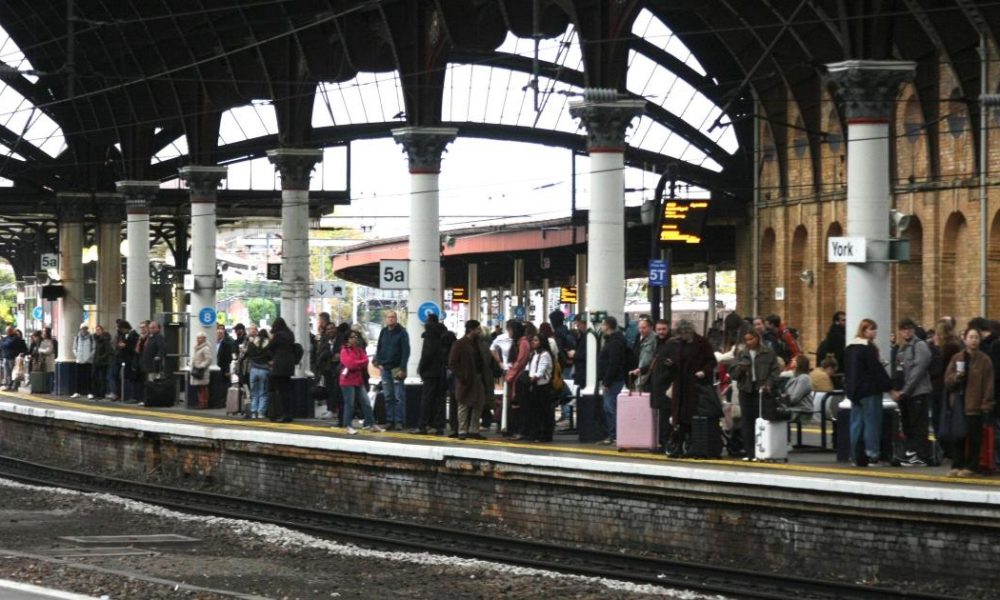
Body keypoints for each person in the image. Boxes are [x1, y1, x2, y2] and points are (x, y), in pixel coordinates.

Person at [942, 327, 995, 477]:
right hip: (958, 403)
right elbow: (947, 381)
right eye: (970, 337)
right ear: (964, 339)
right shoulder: (956, 358)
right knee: (957, 436)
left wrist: (987, 403)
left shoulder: (985, 360)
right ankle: (957, 465)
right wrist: (957, 377)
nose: (973, 340)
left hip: (975, 405)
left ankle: (972, 466)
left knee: (974, 437)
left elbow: (988, 384)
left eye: (976, 337)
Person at [844, 319, 893, 467]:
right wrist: (889, 386)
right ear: (864, 331)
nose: (875, 332)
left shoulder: (850, 348)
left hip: (854, 391)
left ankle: (855, 455)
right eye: (872, 329)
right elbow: (875, 370)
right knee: (872, 423)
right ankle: (872, 454)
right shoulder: (868, 348)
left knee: (856, 423)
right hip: (870, 390)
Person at [731, 329, 780, 461]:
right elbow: (733, 375)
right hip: (746, 389)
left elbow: (775, 371)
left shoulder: (768, 353)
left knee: (762, 419)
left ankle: (763, 450)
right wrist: (740, 369)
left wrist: (768, 384)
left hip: (761, 390)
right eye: (746, 340)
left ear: (757, 339)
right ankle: (750, 452)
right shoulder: (742, 354)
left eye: (751, 339)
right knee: (747, 420)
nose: (749, 342)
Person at [891, 318, 933, 467]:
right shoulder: (902, 349)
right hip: (905, 394)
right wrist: (896, 390)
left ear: (914, 330)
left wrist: (904, 390)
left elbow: (918, 371)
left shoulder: (920, 346)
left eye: (909, 329)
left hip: (918, 392)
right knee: (908, 425)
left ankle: (922, 455)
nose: (907, 332)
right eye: (904, 329)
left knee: (919, 425)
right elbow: (899, 370)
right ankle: (912, 453)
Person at [339, 330, 383, 434]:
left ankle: (371, 424)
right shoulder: (344, 350)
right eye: (352, 337)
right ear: (347, 339)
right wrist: (359, 363)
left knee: (366, 402)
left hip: (358, 380)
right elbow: (350, 365)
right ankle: (348, 426)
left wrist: (357, 363)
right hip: (347, 381)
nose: (355, 338)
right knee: (349, 404)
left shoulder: (359, 350)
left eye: (355, 337)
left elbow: (365, 361)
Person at [448, 320, 486, 440]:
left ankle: (473, 430)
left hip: (478, 377)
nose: (479, 331)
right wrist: (462, 376)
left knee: (478, 403)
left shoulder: (477, 343)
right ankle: (462, 431)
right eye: (477, 329)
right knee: (463, 404)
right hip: (466, 378)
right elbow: (452, 363)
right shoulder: (460, 344)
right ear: (471, 329)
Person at [640, 319, 675, 450]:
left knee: (665, 415)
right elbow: (654, 363)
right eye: (659, 329)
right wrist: (641, 370)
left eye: (663, 329)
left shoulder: (672, 344)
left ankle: (666, 442)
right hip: (658, 384)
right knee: (661, 415)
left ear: (668, 328)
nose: (661, 332)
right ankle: (662, 441)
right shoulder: (659, 343)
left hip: (666, 385)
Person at [373, 310, 410, 431]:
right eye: (389, 317)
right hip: (385, 369)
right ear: (386, 319)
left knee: (399, 397)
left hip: (397, 368)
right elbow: (379, 347)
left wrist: (403, 368)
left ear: (396, 319)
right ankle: (390, 420)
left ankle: (399, 421)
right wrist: (379, 362)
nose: (391, 319)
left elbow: (406, 351)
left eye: (393, 317)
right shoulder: (383, 332)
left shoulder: (402, 332)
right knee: (388, 396)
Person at [596, 316, 628, 446]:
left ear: (607, 326)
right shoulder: (614, 340)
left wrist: (606, 381)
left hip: (613, 380)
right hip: (614, 379)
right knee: (610, 407)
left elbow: (613, 363)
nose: (601, 327)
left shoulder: (614, 342)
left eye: (603, 325)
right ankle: (613, 434)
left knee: (610, 408)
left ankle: (614, 435)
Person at [415, 313, 447, 435]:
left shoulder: (430, 335)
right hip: (441, 371)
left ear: (428, 322)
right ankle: (438, 426)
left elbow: (427, 354)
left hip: (430, 372)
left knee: (427, 399)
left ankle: (423, 425)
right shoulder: (443, 333)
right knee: (439, 400)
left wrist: (421, 368)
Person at [524, 332, 555, 442]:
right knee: (535, 412)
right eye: (533, 340)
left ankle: (544, 434)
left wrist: (532, 379)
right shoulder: (534, 354)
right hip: (535, 386)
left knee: (543, 412)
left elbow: (540, 372)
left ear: (542, 342)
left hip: (543, 387)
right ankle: (535, 433)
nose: (533, 342)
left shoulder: (545, 355)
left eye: (536, 340)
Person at [503, 320, 531, 438]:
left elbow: (520, 361)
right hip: (516, 377)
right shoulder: (518, 342)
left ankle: (520, 431)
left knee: (519, 405)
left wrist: (509, 375)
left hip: (519, 379)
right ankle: (515, 429)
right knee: (515, 404)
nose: (508, 332)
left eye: (509, 329)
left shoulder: (523, 343)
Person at [267, 317, 297, 422]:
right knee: (287, 391)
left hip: (279, 366)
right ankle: (289, 414)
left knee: (279, 390)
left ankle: (281, 414)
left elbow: (270, 347)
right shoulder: (290, 334)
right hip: (289, 366)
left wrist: (271, 338)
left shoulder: (278, 335)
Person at [245, 327, 271, 419]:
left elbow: (248, 354)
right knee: (263, 392)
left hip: (253, 370)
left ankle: (253, 412)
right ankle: (261, 413)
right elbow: (270, 356)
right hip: (264, 370)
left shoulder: (252, 343)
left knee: (254, 392)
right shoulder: (269, 344)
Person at [629, 317, 655, 390]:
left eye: (644, 328)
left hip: (648, 375)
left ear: (651, 328)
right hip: (637, 372)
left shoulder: (655, 339)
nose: (641, 330)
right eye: (639, 328)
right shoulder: (638, 337)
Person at [70, 324, 94, 399]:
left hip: (88, 361)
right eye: (83, 329)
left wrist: (89, 357)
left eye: (85, 329)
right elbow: (74, 348)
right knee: (78, 377)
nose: (84, 330)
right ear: (80, 329)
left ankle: (89, 392)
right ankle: (77, 392)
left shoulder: (91, 337)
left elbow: (94, 348)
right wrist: (77, 355)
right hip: (79, 360)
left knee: (89, 377)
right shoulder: (77, 338)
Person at [190, 332, 213, 408]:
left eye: (200, 338)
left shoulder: (205, 348)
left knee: (203, 387)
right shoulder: (197, 347)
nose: (198, 339)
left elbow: (209, 359)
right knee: (199, 388)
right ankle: (201, 402)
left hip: (202, 371)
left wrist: (201, 366)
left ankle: (204, 403)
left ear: (204, 339)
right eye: (197, 338)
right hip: (197, 370)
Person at [91, 325, 113, 400]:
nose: (97, 331)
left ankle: (101, 394)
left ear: (102, 330)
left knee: (102, 379)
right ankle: (96, 393)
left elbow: (108, 352)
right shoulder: (96, 340)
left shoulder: (105, 340)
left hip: (103, 363)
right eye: (96, 330)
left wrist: (100, 358)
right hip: (96, 362)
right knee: (95, 378)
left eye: (99, 330)